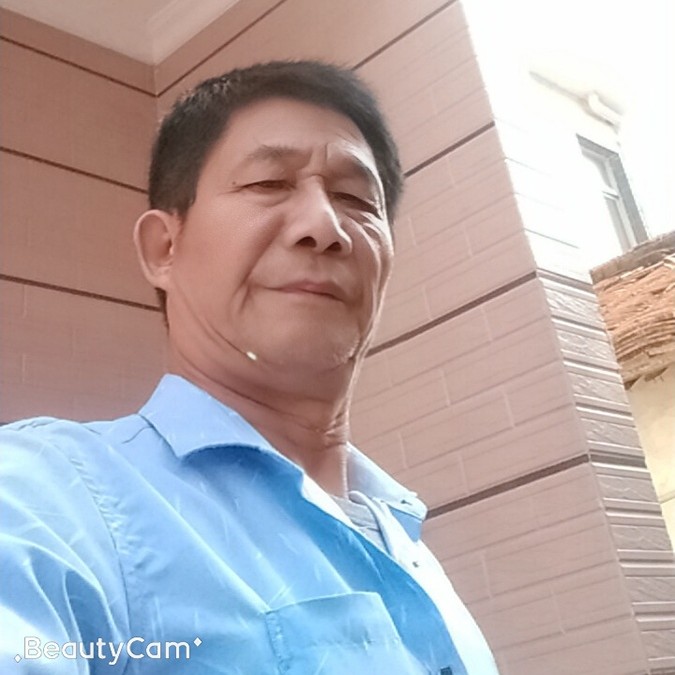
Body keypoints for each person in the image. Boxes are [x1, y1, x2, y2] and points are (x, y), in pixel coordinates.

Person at [1, 61, 499, 674]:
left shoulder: (407, 541)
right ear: (164, 248)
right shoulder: (49, 495)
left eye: (355, 198)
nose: (325, 227)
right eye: (268, 183)